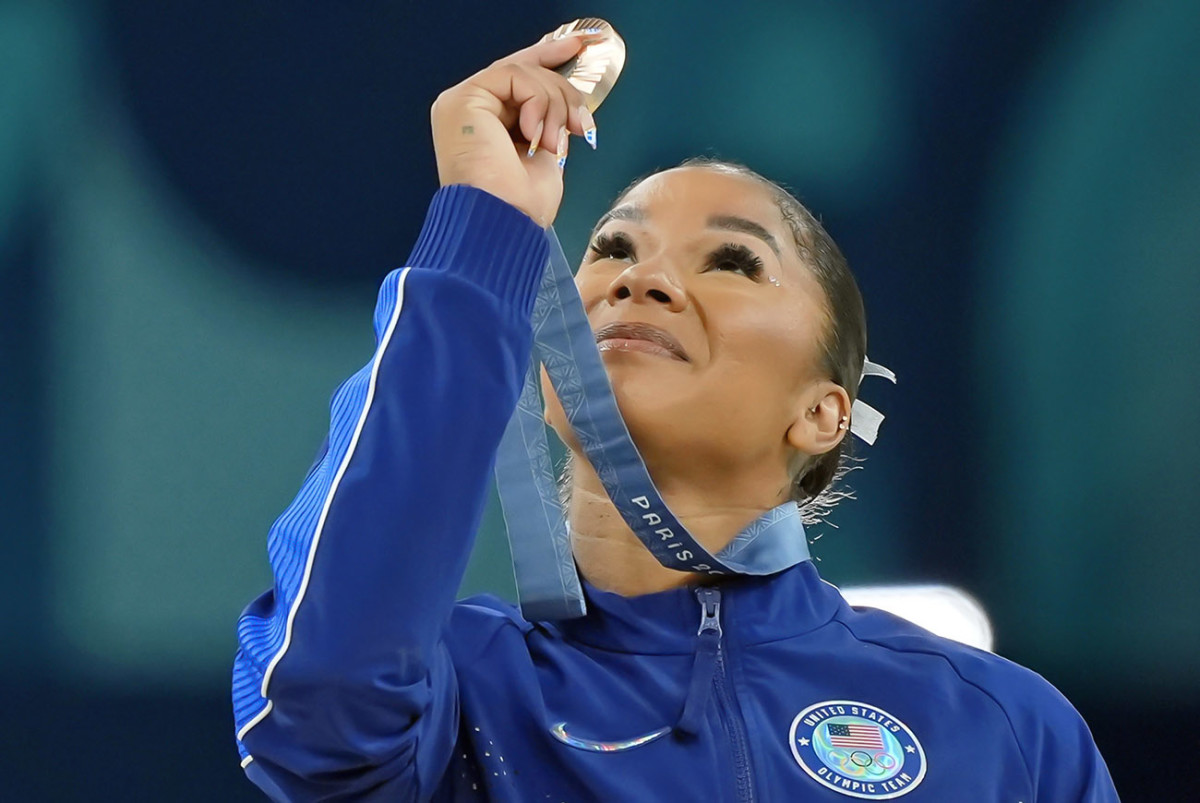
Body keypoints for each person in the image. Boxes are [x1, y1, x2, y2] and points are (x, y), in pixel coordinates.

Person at [231, 31, 1119, 802]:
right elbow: (317, 709)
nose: (638, 279)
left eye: (733, 261)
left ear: (823, 413)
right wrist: (484, 226)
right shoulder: (459, 692)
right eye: (611, 247)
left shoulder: (1002, 728)